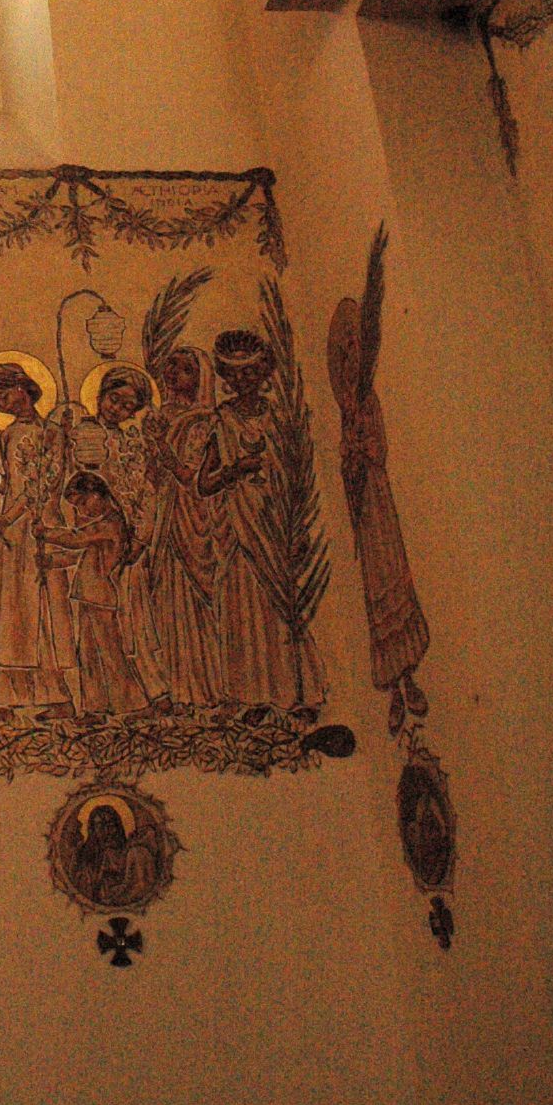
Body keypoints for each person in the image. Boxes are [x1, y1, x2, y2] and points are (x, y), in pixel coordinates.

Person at [327, 234, 430, 734]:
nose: (348, 360)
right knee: (373, 595)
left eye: (353, 350)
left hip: (380, 505)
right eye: (342, 355)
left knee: (393, 583)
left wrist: (360, 456)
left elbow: (377, 452)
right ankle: (393, 684)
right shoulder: (346, 410)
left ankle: (407, 680)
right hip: (364, 512)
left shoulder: (365, 405)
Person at [200, 329, 324, 714]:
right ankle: (252, 695)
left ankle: (297, 692)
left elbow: (300, 472)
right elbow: (205, 483)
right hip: (239, 526)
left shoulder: (280, 417)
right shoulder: (221, 420)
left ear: (264, 373)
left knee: (283, 607)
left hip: (276, 524)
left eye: (250, 374)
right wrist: (235, 469)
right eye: (234, 376)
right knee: (243, 608)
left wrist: (298, 524)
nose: (242, 382)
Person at [0, 361, 75, 717]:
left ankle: (59, 698)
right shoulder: (7, 435)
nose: (1, 403)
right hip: (12, 536)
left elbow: (42, 487)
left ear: (23, 386)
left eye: (3, 394)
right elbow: (13, 483)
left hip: (38, 528)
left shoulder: (52, 433)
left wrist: (7, 518)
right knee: (12, 613)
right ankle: (7, 700)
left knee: (41, 612)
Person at [82, 365, 169, 705]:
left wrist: (142, 538)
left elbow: (147, 493)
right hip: (94, 542)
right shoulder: (81, 435)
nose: (116, 408)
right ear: (101, 395)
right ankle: (103, 699)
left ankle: (154, 689)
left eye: (126, 406)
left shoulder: (132, 444)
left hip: (129, 543)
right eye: (113, 399)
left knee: (134, 617)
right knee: (95, 620)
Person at [145, 347, 225, 706]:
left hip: (192, 516)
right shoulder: (164, 416)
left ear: (201, 378)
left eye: (185, 369)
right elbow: (153, 474)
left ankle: (206, 688)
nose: (174, 374)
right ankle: (178, 687)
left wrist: (160, 444)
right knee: (165, 597)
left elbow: (187, 474)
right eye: (171, 367)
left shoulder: (203, 420)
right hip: (164, 512)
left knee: (194, 599)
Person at [39, 472, 148, 716]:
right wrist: (52, 561)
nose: (82, 511)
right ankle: (94, 708)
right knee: (88, 656)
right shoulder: (104, 525)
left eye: (83, 503)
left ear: (98, 494)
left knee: (110, 654)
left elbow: (77, 539)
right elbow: (81, 556)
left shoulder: (111, 524)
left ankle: (135, 704)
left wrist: (45, 533)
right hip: (89, 597)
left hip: (101, 598)